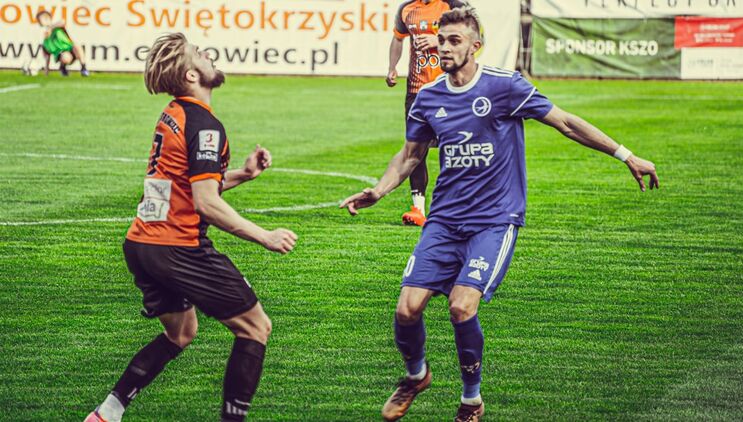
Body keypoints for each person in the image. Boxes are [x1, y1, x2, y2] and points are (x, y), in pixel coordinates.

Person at [342, 7, 659, 422]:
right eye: (441, 40)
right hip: (444, 221)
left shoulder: (505, 86)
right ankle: (416, 376)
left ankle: (471, 400)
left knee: (461, 306)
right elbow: (410, 156)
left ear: (476, 46)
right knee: (406, 309)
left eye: (454, 40)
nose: (444, 47)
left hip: (494, 221)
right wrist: (380, 190)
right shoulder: (429, 97)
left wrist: (626, 155)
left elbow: (565, 122)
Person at [84, 33, 298, 422]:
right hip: (177, 247)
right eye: (199, 53)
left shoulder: (174, 113)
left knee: (181, 333)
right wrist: (265, 236)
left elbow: (184, 185)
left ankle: (107, 413)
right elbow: (206, 203)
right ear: (191, 75)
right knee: (255, 328)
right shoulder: (203, 124)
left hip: (142, 244)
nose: (208, 55)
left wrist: (243, 174)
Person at [387, 0, 466, 227]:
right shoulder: (407, 9)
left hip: (449, 89)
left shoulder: (454, 6)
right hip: (417, 92)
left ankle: (458, 205)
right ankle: (418, 209)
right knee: (415, 149)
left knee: (456, 148)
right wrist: (392, 67)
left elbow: (474, 40)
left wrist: (438, 40)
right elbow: (398, 38)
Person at [36, 10, 89, 77]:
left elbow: (62, 21)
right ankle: (62, 67)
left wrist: (50, 28)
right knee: (65, 57)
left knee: (77, 46)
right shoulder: (46, 38)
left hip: (71, 49)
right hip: (62, 54)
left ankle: (83, 68)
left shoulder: (57, 27)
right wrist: (46, 72)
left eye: (40, 19)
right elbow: (47, 56)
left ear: (47, 18)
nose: (39, 22)